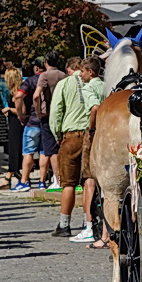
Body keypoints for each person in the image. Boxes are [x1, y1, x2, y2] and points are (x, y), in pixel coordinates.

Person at [48, 58, 104, 239]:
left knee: (68, 183)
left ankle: (64, 223)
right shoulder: (100, 84)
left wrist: (56, 134)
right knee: (89, 180)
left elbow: (56, 111)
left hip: (71, 135)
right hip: (93, 134)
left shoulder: (64, 84)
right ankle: (90, 222)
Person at [32, 56, 66, 190]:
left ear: (46, 62)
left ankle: (58, 180)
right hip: (63, 113)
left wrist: (38, 111)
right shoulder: (63, 75)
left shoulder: (44, 76)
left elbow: (36, 95)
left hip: (48, 115)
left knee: (51, 149)